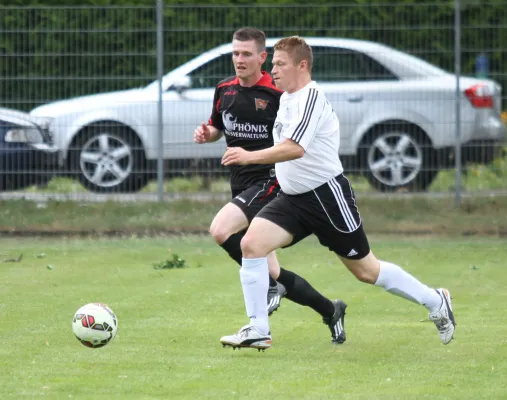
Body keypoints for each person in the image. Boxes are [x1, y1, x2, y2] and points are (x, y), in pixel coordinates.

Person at [220, 36, 456, 350]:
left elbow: (294, 149)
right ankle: (258, 330)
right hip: (292, 199)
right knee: (251, 245)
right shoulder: (288, 98)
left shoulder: (311, 97)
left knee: (366, 270)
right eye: (273, 64)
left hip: (326, 198)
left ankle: (435, 299)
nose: (273, 70)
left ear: (301, 66)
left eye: (280, 64)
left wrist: (248, 156)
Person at [193, 28, 347, 347]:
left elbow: (295, 140)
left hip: (271, 180)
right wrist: (206, 133)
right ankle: (331, 310)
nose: (239, 59)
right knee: (271, 269)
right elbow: (218, 128)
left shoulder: (278, 93)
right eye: (235, 53)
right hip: (241, 183)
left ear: (262, 58)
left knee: (221, 229)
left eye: (247, 54)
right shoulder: (224, 89)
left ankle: (264, 304)